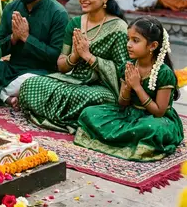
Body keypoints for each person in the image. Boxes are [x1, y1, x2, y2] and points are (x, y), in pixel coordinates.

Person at [18, 0, 129, 133]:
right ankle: (77, 118)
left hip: (103, 88)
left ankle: (60, 115)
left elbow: (123, 72)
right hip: (73, 81)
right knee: (30, 84)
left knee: (94, 99)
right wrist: (75, 56)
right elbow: (61, 66)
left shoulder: (118, 28)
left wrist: (90, 57)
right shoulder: (76, 23)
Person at [75, 17, 183, 161]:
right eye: (128, 39)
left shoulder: (163, 73)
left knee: (152, 129)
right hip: (130, 113)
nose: (129, 45)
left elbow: (159, 112)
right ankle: (129, 139)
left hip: (155, 119)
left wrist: (137, 87)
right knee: (89, 113)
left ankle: (134, 141)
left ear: (153, 46)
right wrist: (126, 88)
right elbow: (122, 103)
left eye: (135, 40)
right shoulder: (128, 66)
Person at [0, 0, 69, 110]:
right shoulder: (11, 8)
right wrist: (14, 38)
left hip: (40, 75)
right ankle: (4, 95)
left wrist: (26, 38)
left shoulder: (58, 13)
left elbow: (56, 57)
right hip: (11, 70)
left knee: (29, 83)